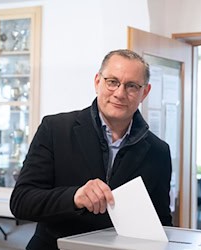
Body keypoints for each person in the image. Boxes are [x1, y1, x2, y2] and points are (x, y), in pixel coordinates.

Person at [10, 49, 173, 250]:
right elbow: (21, 202)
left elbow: (162, 223)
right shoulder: (55, 129)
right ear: (97, 82)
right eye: (112, 81)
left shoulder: (159, 152)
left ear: (144, 93)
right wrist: (75, 197)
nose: (120, 93)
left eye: (131, 86)